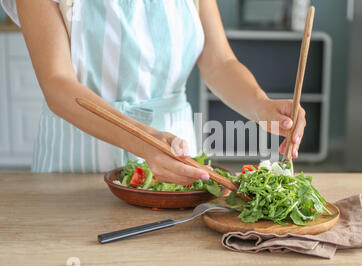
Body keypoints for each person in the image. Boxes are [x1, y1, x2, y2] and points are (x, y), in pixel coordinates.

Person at [1, 0, 306, 185]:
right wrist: (143, 141)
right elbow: (57, 83)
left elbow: (219, 62)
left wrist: (260, 104)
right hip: (73, 164)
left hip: (176, 161)